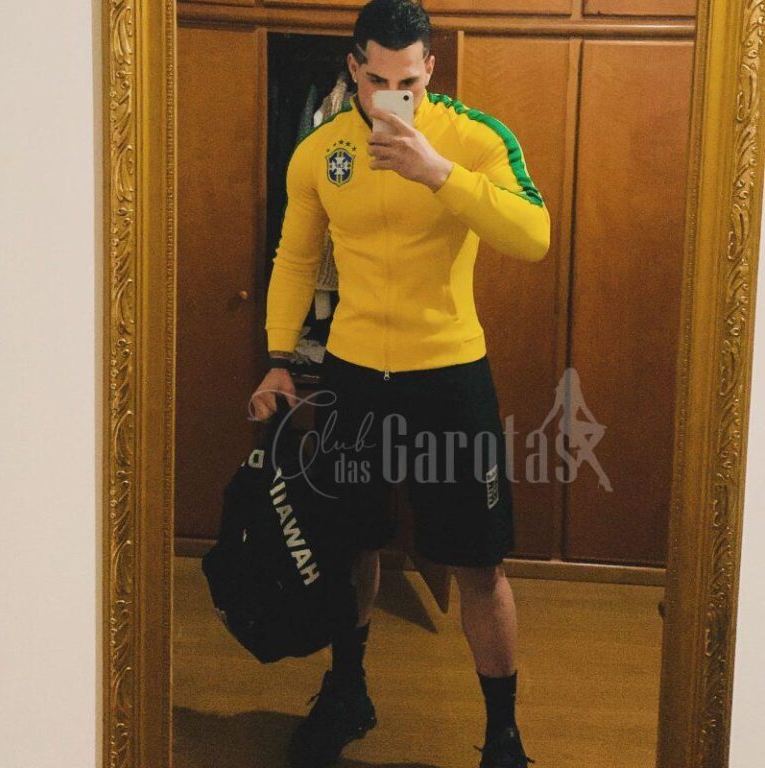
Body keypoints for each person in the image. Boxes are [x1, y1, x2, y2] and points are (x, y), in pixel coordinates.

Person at [250, 1, 550, 766]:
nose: (393, 95)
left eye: (408, 82)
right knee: (349, 546)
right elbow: (295, 257)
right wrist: (279, 356)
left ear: (430, 69)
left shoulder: (474, 137)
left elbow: (533, 237)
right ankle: (347, 693)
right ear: (353, 68)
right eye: (377, 79)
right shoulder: (320, 151)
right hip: (354, 378)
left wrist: (439, 174)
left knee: (478, 562)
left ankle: (503, 735)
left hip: (449, 376)